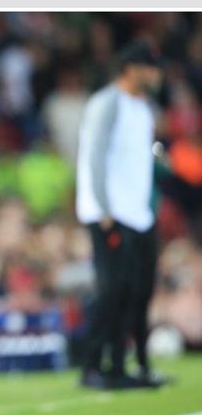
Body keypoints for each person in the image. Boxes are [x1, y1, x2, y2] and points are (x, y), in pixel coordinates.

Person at [76, 41, 164, 389]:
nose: (156, 75)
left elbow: (137, 158)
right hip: (110, 213)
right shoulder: (107, 102)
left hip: (139, 214)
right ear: (131, 69)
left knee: (139, 291)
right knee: (113, 289)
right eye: (150, 68)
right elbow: (94, 155)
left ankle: (133, 364)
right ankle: (95, 366)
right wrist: (104, 207)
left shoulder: (143, 107)